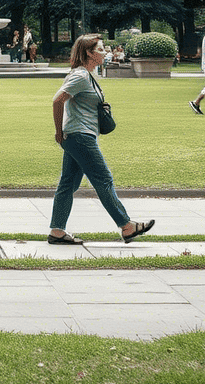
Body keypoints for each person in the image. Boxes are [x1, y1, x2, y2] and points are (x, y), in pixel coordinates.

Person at [49, 34, 154, 245]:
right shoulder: (80, 76)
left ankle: (57, 231)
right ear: (89, 53)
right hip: (80, 137)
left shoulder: (87, 75)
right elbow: (57, 100)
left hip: (79, 136)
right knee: (103, 180)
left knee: (67, 184)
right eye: (100, 49)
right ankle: (126, 226)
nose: (105, 52)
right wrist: (58, 132)